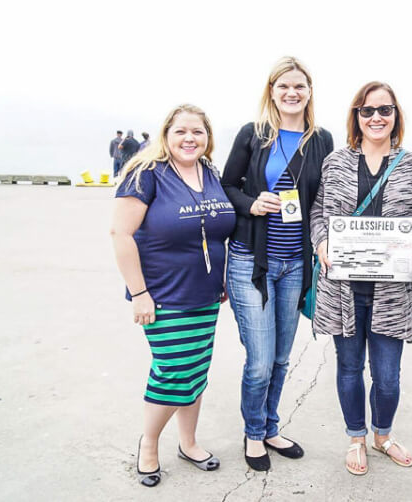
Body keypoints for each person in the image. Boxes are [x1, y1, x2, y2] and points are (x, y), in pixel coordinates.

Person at [309, 81, 412, 476]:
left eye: (384, 110)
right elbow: (317, 213)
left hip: (391, 291)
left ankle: (383, 434)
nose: (376, 117)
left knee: (386, 375)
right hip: (343, 290)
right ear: (356, 117)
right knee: (348, 369)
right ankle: (356, 437)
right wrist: (322, 244)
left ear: (396, 116)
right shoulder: (335, 163)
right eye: (367, 111)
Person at [110, 104, 236, 487]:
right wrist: (140, 294)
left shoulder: (209, 172)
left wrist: (225, 278)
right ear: (166, 134)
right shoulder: (146, 175)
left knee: (195, 370)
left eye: (197, 132)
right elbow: (121, 235)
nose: (189, 139)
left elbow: (217, 231)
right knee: (172, 373)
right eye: (181, 131)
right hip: (163, 295)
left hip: (206, 295)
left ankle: (189, 442)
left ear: (207, 138)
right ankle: (148, 445)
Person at [221, 57, 334, 472]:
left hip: (296, 264)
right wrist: (253, 204)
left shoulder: (321, 139)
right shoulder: (253, 135)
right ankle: (253, 433)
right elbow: (226, 185)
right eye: (283, 86)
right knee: (260, 359)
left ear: (309, 92)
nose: (292, 93)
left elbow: (327, 199)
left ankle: (270, 426)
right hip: (252, 260)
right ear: (271, 91)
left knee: (283, 357)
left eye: (299, 86)